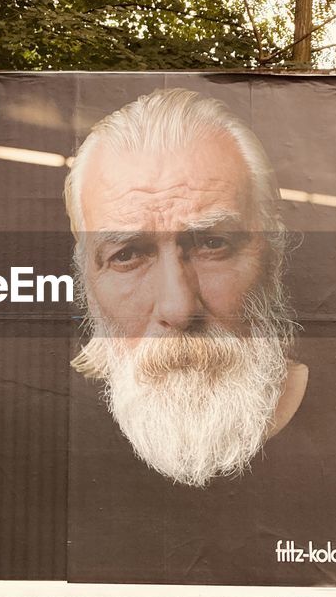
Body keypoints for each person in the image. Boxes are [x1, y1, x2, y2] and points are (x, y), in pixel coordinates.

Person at [63, 88, 309, 487]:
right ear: (88, 283)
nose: (178, 309)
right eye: (127, 255)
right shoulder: (45, 450)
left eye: (212, 244)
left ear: (273, 257)